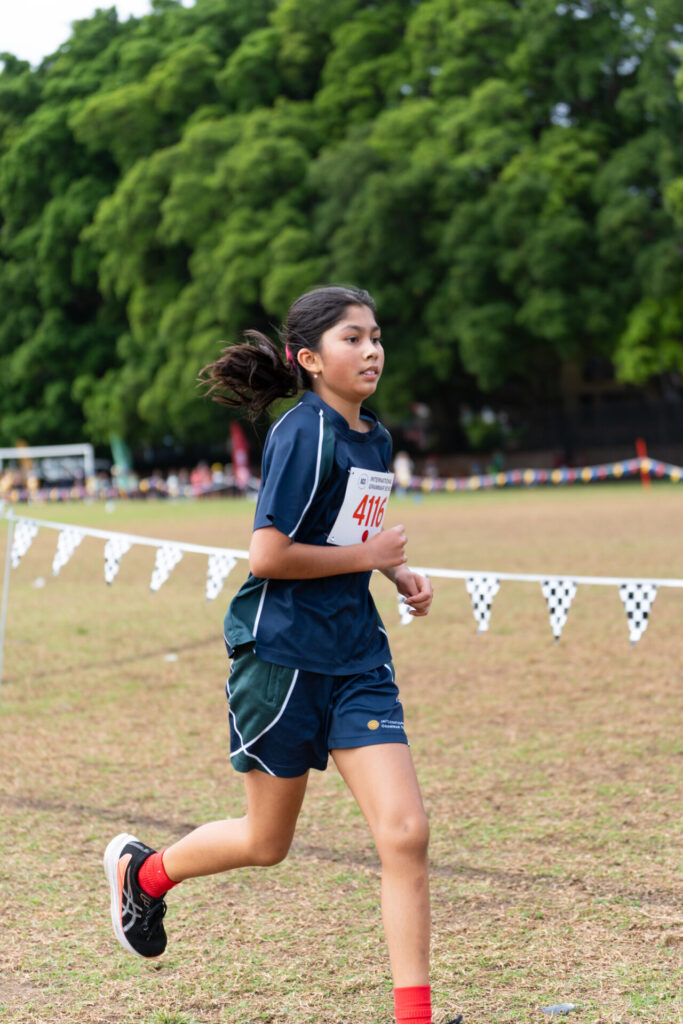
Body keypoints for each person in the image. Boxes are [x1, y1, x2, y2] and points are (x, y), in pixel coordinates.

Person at [103, 285, 463, 1024]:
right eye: (351, 339)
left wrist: (393, 571)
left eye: (375, 337)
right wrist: (371, 553)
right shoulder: (304, 432)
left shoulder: (375, 437)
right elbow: (267, 556)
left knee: (406, 833)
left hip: (357, 656)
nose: (371, 351)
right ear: (308, 358)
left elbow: (342, 528)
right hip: (281, 655)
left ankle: (414, 1018)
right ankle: (146, 874)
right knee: (267, 842)